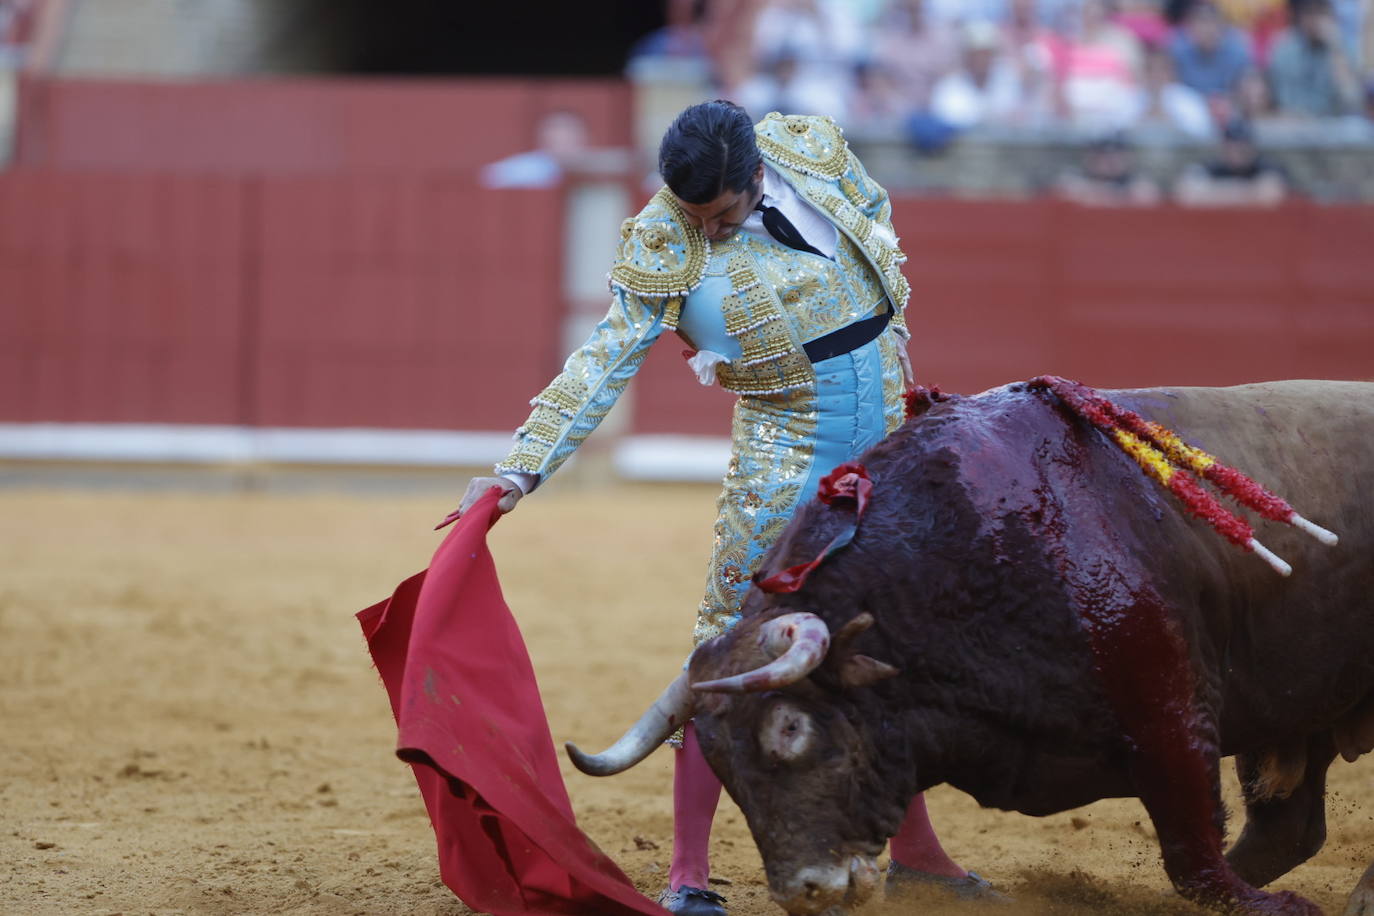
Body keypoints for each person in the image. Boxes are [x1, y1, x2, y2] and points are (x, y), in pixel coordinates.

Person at [452, 101, 993, 915]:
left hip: (887, 448)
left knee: (886, 642)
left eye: (723, 215)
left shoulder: (810, 150)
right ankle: (687, 873)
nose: (705, 230)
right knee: (723, 654)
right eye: (694, 215)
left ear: (756, 174)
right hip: (785, 456)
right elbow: (604, 359)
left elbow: (875, 219)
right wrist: (518, 471)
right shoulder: (662, 239)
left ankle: (917, 851)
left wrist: (895, 341)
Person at [1266, 0, 1363, 117]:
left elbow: (1352, 100)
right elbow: (1277, 101)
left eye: (1320, 14)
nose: (1315, 21)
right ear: (1300, 18)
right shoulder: (1284, 49)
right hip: (1293, 121)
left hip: (1333, 122)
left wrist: (1335, 49)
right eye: (1310, 14)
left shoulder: (1342, 48)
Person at [1174, 117, 1289, 204]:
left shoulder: (1265, 166)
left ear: (1251, 147)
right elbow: (1186, 191)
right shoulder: (1213, 166)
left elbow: (1269, 194)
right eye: (1231, 147)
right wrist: (1249, 191)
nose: (1236, 152)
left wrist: (1212, 192)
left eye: (1241, 147)